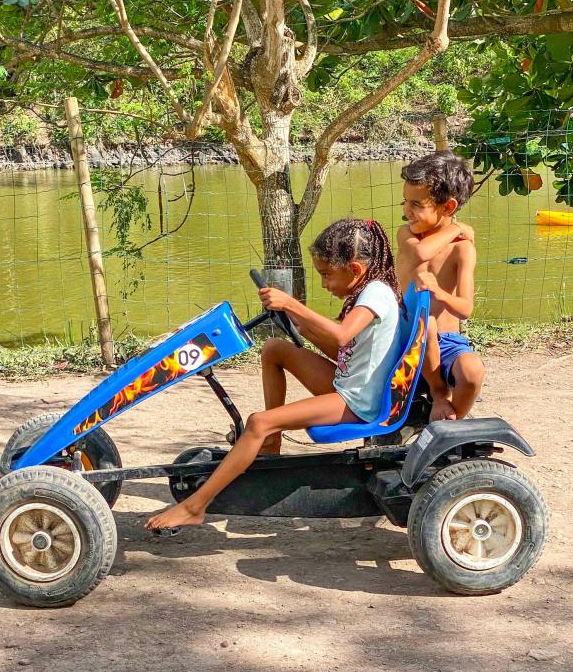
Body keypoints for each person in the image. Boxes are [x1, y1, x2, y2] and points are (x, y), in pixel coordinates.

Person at [145, 218, 402, 531]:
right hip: (349, 384)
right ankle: (270, 445)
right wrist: (297, 319)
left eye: (326, 275)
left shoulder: (375, 293)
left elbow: (341, 336)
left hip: (358, 402)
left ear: (355, 269)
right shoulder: (368, 290)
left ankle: (196, 506)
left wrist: (293, 304)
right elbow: (346, 349)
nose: (324, 284)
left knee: (258, 422)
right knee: (274, 348)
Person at [396, 152, 485, 422]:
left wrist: (440, 293)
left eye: (416, 204)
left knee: (472, 371)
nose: (406, 211)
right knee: (429, 323)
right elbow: (421, 253)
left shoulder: (462, 250)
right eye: (405, 202)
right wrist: (456, 228)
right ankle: (439, 393)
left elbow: (465, 309)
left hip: (448, 342)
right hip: (408, 337)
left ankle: (451, 419)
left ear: (447, 207)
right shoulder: (407, 235)